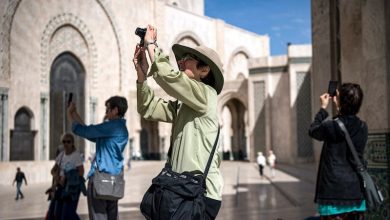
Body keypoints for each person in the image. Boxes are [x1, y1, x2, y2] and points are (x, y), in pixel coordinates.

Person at [133, 24, 224, 219]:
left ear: (205, 69)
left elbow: (169, 77)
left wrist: (152, 45)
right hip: (180, 189)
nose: (181, 63)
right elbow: (148, 108)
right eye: (180, 59)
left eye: (187, 59)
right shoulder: (184, 105)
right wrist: (142, 75)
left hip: (200, 193)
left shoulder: (207, 95)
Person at [309, 83, 367, 219]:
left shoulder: (332, 126)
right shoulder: (363, 126)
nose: (334, 98)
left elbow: (313, 130)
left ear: (341, 102)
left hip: (333, 194)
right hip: (356, 192)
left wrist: (323, 108)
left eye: (337, 96)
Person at [68, 96, 129, 220]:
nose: (106, 114)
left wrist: (69, 114)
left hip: (100, 181)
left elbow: (83, 131)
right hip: (114, 182)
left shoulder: (111, 127)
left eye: (107, 110)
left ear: (115, 110)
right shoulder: (122, 129)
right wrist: (75, 114)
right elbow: (89, 131)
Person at [49, 133, 85, 220]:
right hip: (61, 187)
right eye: (64, 142)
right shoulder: (61, 155)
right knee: (57, 213)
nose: (66, 144)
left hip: (72, 188)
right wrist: (56, 177)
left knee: (67, 214)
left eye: (68, 142)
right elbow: (53, 170)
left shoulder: (76, 155)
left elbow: (81, 172)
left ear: (72, 143)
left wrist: (67, 177)